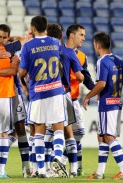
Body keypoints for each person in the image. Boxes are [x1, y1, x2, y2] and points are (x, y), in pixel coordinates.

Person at [19, 15, 68, 178]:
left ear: (32, 29)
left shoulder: (28, 46)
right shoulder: (56, 43)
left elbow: (22, 72)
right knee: (58, 127)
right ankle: (57, 157)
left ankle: (40, 169)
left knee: (38, 130)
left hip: (38, 93)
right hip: (55, 91)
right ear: (46, 27)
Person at [0, 23, 31, 178]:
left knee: (20, 129)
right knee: (0, 132)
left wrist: (26, 38)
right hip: (3, 94)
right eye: (0, 36)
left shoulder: (11, 48)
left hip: (14, 93)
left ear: (8, 37)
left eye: (5, 37)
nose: (2, 40)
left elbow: (21, 41)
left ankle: (25, 166)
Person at [83, 32, 123, 180]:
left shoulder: (102, 61)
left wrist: (87, 96)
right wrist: (113, 85)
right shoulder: (118, 59)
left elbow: (101, 83)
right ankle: (99, 172)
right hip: (116, 102)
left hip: (107, 104)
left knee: (109, 137)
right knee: (102, 136)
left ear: (98, 46)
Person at [46, 23, 84, 178]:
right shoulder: (68, 52)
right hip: (64, 94)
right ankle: (73, 169)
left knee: (47, 132)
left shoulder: (43, 51)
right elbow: (80, 76)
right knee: (69, 132)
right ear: (61, 36)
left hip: (45, 94)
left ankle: (44, 168)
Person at [64, 24, 95, 176]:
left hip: (74, 99)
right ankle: (61, 165)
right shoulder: (59, 51)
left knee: (78, 133)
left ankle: (66, 163)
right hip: (59, 99)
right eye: (81, 35)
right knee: (53, 135)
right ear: (72, 35)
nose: (84, 38)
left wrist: (96, 89)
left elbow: (86, 77)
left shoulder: (82, 56)